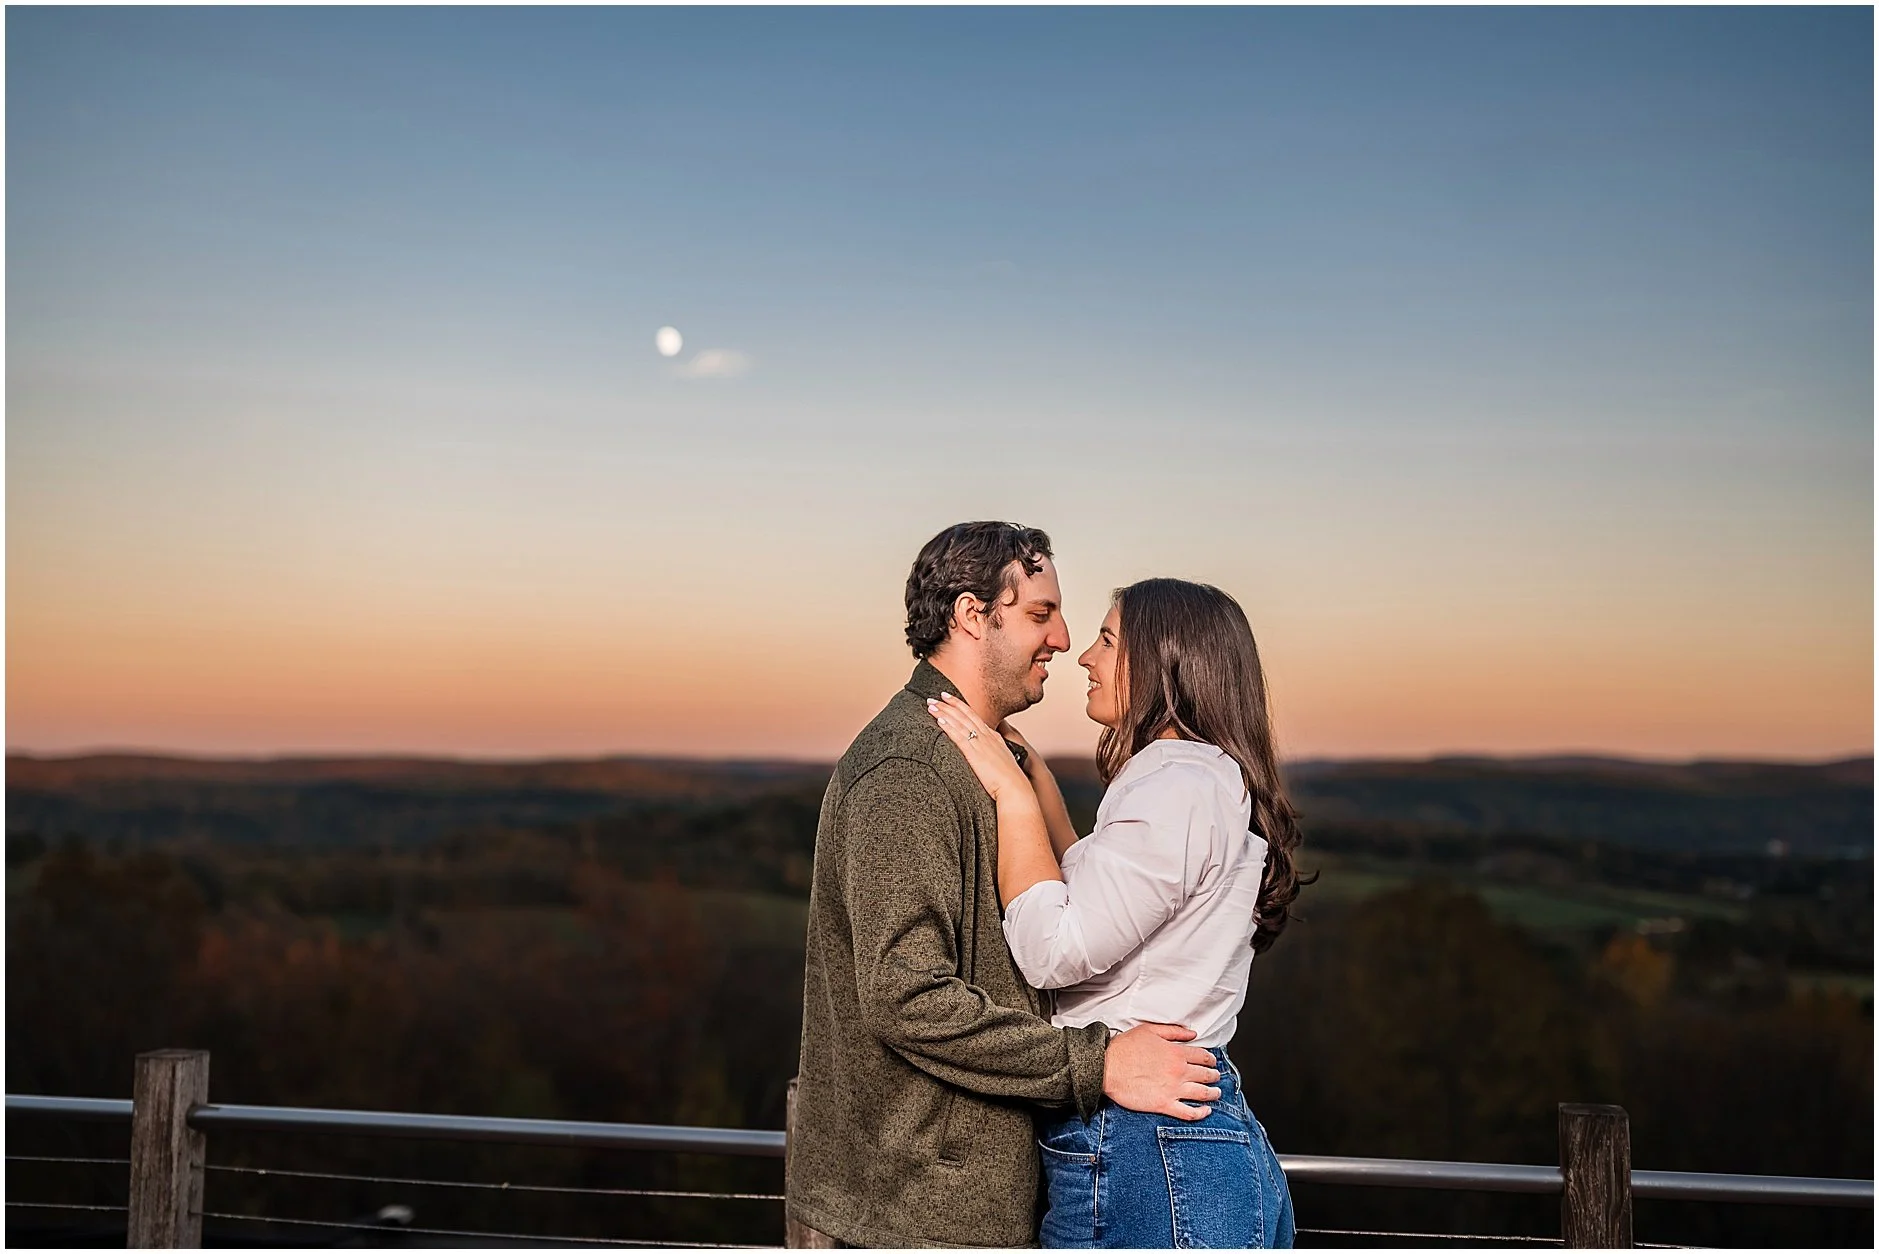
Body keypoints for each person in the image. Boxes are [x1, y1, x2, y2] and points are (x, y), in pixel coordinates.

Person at [788, 524, 1227, 1249]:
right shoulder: (908, 772)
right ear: (971, 615)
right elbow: (908, 1000)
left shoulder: (988, 763)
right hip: (925, 1215)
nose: (1062, 639)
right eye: (1039, 614)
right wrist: (1099, 1063)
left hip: (977, 1197)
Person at [927, 577, 1305, 1248]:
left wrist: (1011, 796)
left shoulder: (1175, 784)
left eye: (1107, 640)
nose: (1084, 656)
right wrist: (1037, 781)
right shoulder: (1202, 778)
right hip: (1176, 1148)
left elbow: (1052, 950)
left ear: (1164, 662)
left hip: (1148, 1152)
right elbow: (1105, 899)